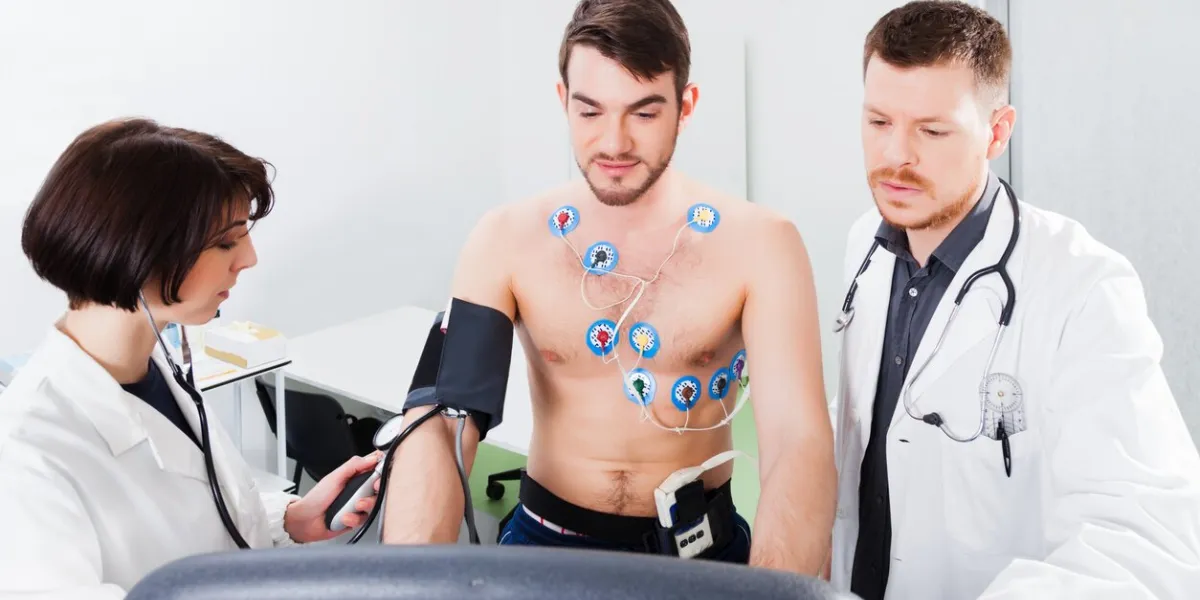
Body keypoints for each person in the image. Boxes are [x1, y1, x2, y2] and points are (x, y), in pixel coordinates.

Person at [381, 0, 835, 573]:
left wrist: (779, 594)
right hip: (548, 544)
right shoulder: (503, 239)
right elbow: (444, 419)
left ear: (684, 106)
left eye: (643, 114)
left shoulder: (763, 243)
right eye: (590, 112)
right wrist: (406, 580)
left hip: (702, 550)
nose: (614, 143)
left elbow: (798, 443)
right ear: (562, 102)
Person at [829, 2, 1200, 598]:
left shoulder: (1083, 288)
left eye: (931, 130)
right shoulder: (863, 250)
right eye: (878, 122)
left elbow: (1146, 539)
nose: (896, 155)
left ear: (997, 132)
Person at [0, 118, 382, 598]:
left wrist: (289, 519)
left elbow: (202, 517)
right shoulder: (25, 454)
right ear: (136, 252)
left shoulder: (156, 366)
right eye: (226, 241)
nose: (249, 259)